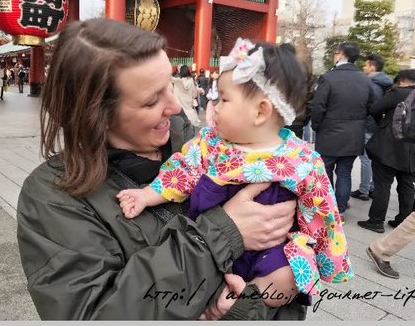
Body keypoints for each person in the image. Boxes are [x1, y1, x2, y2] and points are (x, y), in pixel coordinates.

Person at [16, 18, 306, 320]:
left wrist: (251, 305)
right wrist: (220, 236)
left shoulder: (210, 149)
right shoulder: (54, 197)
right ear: (95, 114)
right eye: (153, 100)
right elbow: (90, 315)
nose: (176, 106)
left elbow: (289, 275)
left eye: (170, 84)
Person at [118, 38, 353, 307]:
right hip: (210, 244)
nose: (214, 106)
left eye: (224, 99)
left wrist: (332, 259)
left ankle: (245, 300)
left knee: (291, 276)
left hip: (271, 249)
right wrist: (146, 195)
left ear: (260, 111)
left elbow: (323, 212)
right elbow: (181, 172)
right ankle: (220, 299)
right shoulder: (211, 143)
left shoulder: (301, 160)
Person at [366, 49, 415, 279]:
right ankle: (381, 249)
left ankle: (379, 231)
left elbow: (375, 110)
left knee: (393, 186)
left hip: (409, 153)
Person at [310, 41, 376, 221]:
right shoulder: (365, 79)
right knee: (345, 172)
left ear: (340, 54)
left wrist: (316, 126)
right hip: (354, 134)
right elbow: (373, 106)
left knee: (326, 171)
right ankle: (340, 209)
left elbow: (318, 106)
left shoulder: (329, 78)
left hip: (329, 133)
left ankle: (328, 206)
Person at [357, 69, 415, 233]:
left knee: (383, 184)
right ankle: (404, 221)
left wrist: (383, 122)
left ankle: (376, 221)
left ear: (402, 81)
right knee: (407, 185)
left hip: (390, 146)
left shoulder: (398, 93)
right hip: (413, 148)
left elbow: (375, 109)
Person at [350, 54, 393, 201]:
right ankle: (372, 187)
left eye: (366, 65)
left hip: (368, 124)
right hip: (379, 125)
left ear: (372, 67)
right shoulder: (386, 82)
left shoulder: (372, 84)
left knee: (366, 159)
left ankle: (364, 190)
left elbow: (369, 106)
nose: (364, 67)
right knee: (374, 159)